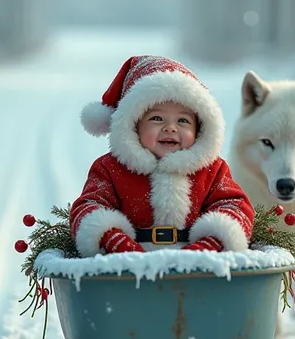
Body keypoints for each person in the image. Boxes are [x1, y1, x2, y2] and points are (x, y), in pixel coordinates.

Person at [70, 55, 254, 255]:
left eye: (183, 121)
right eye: (157, 118)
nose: (170, 128)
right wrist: (117, 243)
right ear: (133, 125)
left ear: (200, 128)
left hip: (198, 270)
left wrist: (207, 247)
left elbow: (234, 205)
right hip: (126, 268)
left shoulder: (212, 169)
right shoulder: (110, 168)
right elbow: (90, 206)